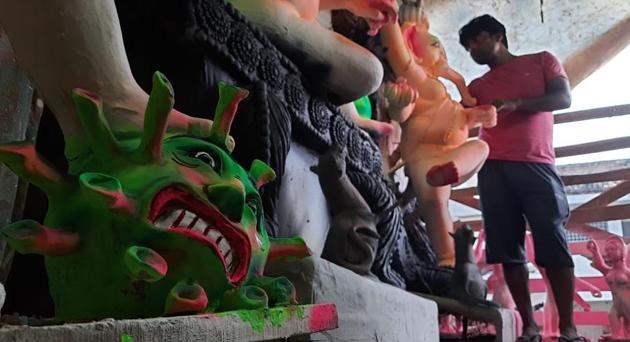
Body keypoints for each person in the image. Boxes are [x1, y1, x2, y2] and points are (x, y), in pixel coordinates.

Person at [459, 15, 584, 342]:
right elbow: (458, 121)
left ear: (499, 35)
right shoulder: (476, 88)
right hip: (493, 169)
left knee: (553, 240)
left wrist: (517, 104)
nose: (473, 49)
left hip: (537, 164)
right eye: (468, 46)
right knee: (507, 249)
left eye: (477, 39)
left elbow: (563, 99)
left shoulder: (542, 61)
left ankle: (569, 328)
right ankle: (529, 326)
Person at [380, 5, 496, 267]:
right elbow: (398, 51)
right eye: (434, 44)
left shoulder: (444, 91)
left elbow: (464, 114)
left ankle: (450, 170)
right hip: (424, 157)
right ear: (411, 45)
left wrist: (477, 112)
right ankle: (447, 259)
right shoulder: (419, 79)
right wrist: (398, 22)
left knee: (480, 147)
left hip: (449, 159)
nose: (441, 51)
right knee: (436, 203)